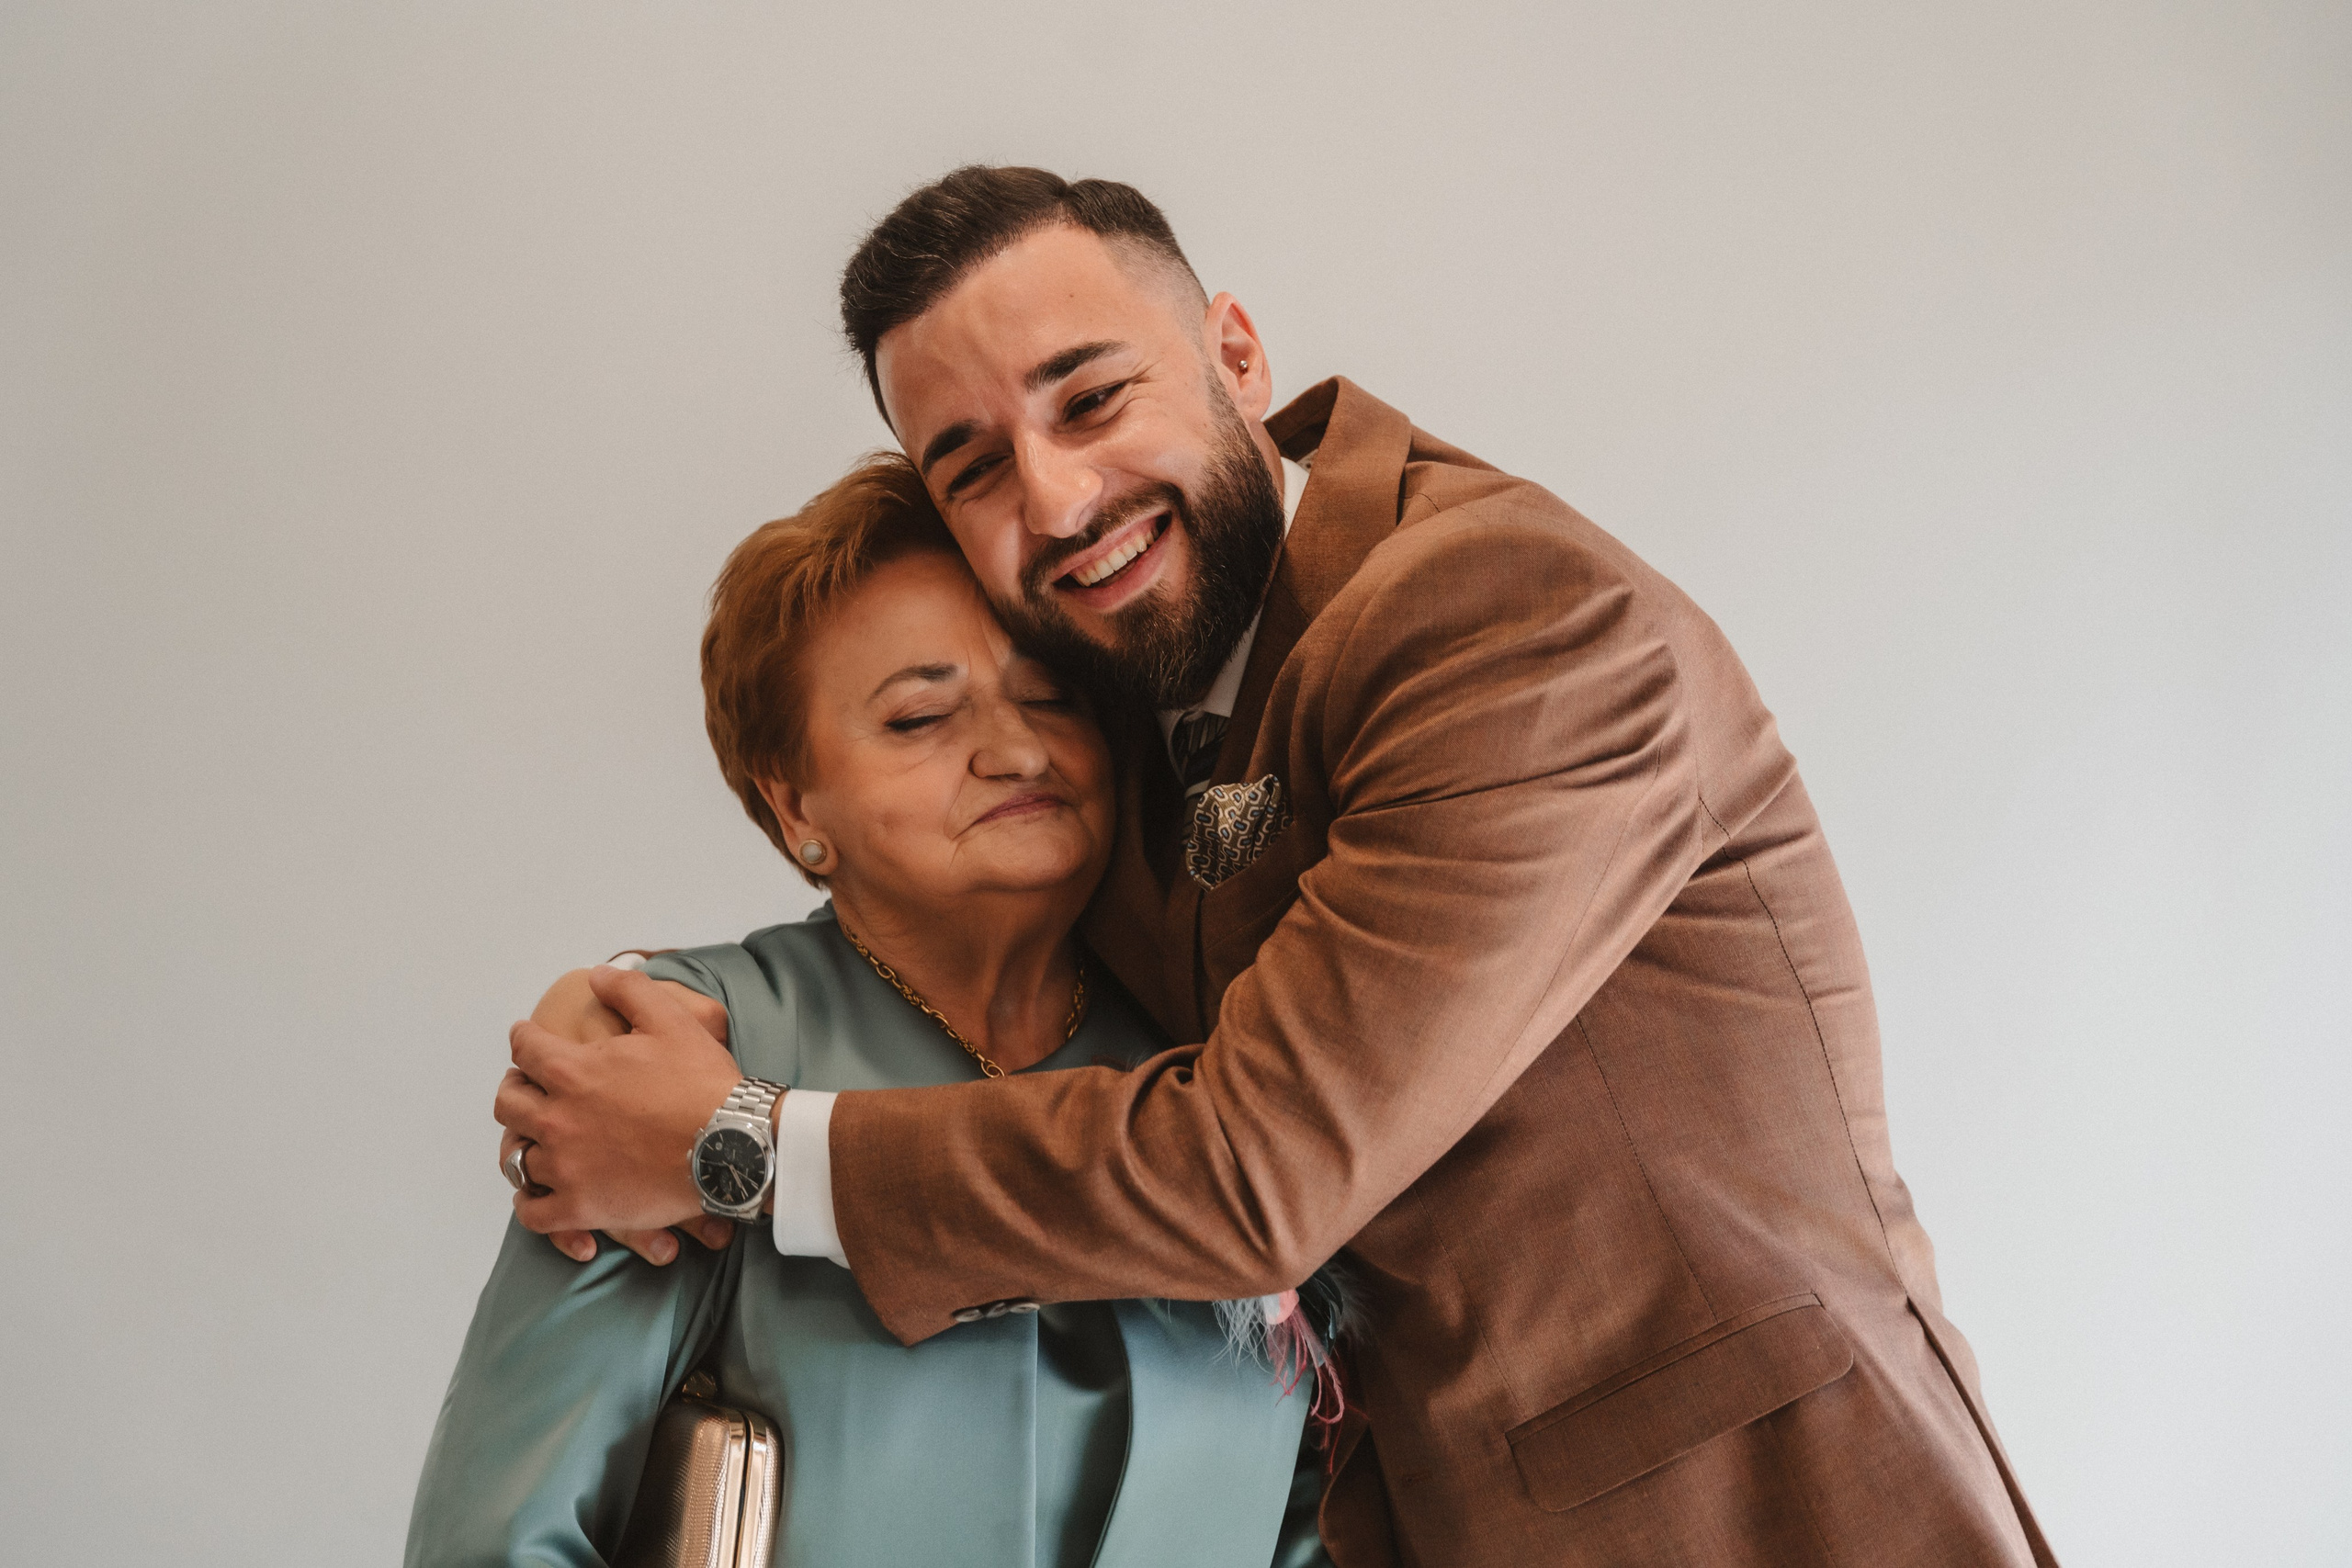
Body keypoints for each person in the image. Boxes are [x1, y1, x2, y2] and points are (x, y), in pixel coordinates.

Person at [497, 167, 2059, 1567]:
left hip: (1744, 1515)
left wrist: (735, 1145)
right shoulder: (1131, 659)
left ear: (1237, 354)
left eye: (1089, 398)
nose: (1053, 496)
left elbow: (1258, 1174)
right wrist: (652, 1003)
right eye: (972, 465)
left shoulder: (1504, 613)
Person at [411, 456, 1328, 1567]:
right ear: (794, 803)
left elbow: (1314, 1517)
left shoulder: (1226, 1059)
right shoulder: (684, 1054)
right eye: (920, 717)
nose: (1016, 749)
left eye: (1053, 695)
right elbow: (498, 1538)